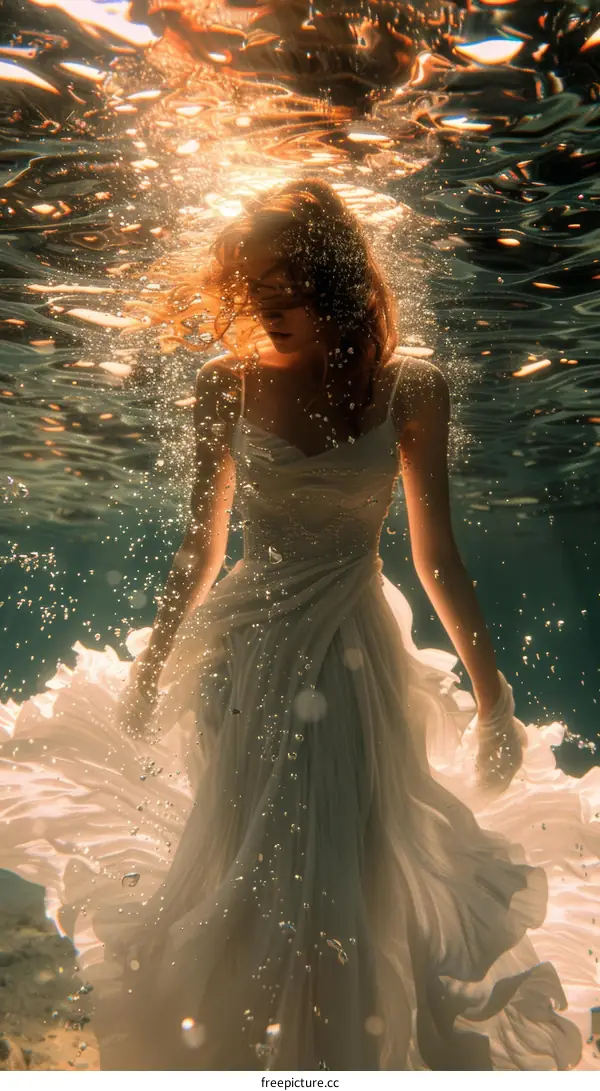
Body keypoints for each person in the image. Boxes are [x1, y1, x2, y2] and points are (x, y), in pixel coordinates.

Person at [0, 179, 598, 1072]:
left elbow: (439, 558)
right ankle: (255, 1058)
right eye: (253, 294)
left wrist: (493, 700)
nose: (265, 312)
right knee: (258, 863)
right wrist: (152, 667)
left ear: (336, 283)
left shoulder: (413, 388)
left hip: (359, 657)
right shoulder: (224, 385)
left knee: (349, 869)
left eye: (284, 293)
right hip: (246, 655)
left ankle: (340, 1057)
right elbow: (199, 549)